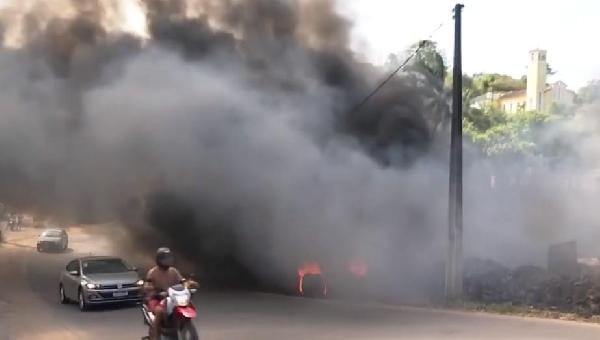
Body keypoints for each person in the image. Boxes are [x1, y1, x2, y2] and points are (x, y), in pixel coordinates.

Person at [144, 247, 197, 340]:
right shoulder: (152, 272)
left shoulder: (173, 271)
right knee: (159, 312)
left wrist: (189, 284)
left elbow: (182, 281)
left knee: (188, 304)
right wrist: (154, 289)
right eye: (165, 259)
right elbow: (148, 285)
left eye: (169, 258)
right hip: (158, 298)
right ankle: (155, 336)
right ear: (159, 260)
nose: (168, 261)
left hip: (172, 297)